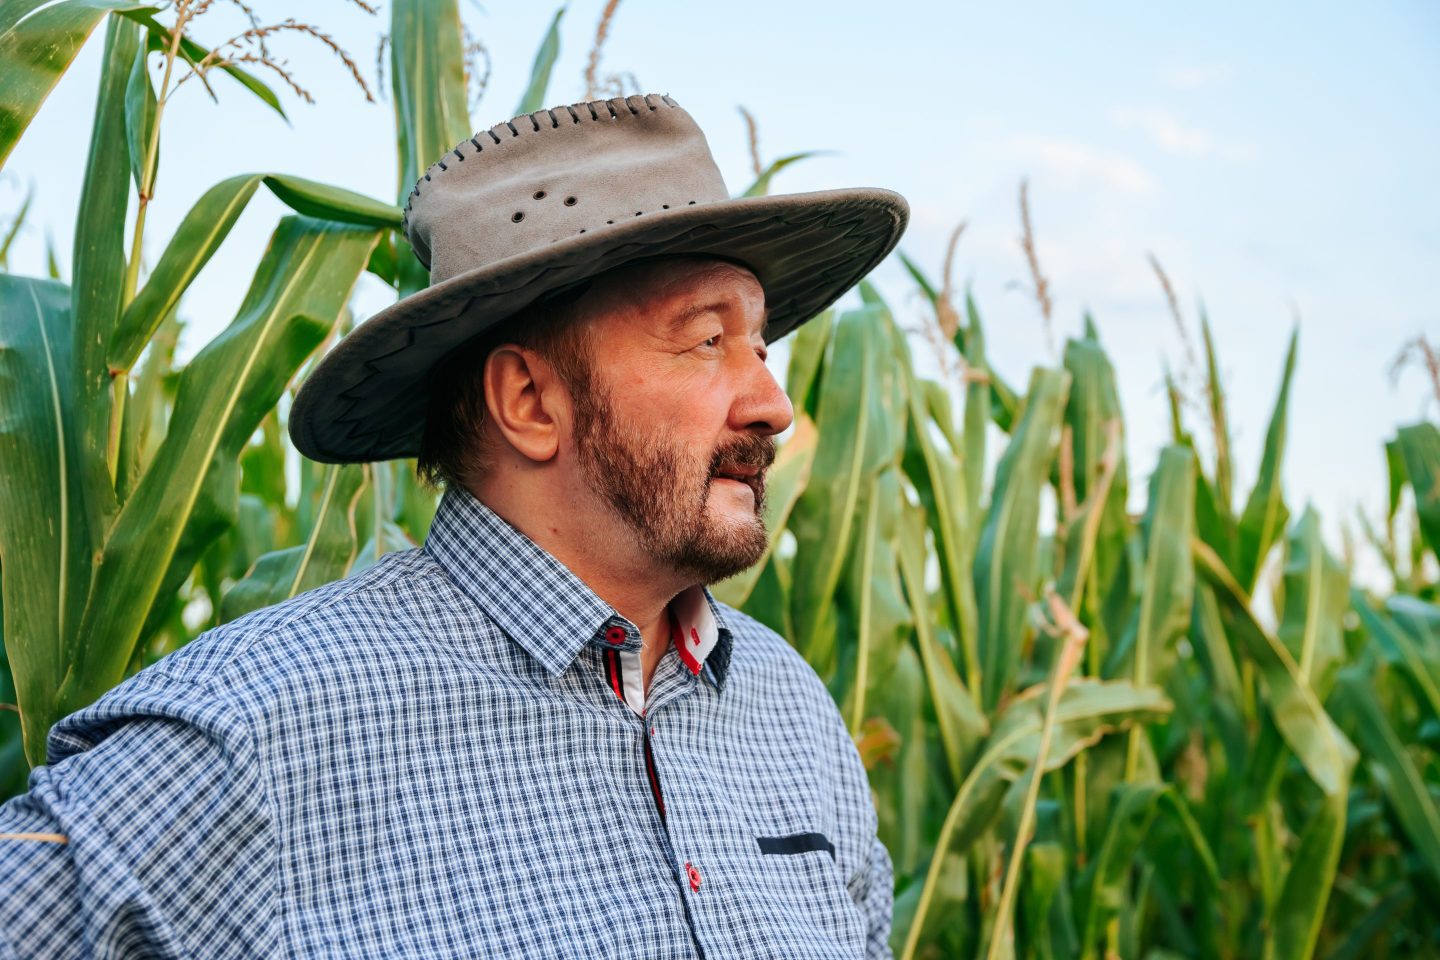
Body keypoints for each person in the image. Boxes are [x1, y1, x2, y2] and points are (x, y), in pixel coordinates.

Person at [0, 92, 909, 958]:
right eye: (707, 340)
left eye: (760, 344)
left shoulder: (790, 710)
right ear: (528, 401)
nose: (773, 405)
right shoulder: (254, 734)